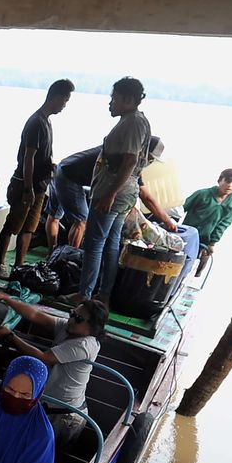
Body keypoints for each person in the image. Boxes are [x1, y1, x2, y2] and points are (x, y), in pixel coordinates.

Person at [0, 289, 106, 448]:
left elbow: (44, 358)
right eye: (72, 314)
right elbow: (35, 316)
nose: (71, 319)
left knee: (41, 456)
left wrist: (11, 337)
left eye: (78, 318)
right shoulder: (70, 328)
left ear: (93, 327)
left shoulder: (84, 345)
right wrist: (6, 298)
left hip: (65, 417)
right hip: (49, 408)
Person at [75, 77, 155, 303]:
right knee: (110, 243)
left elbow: (130, 161)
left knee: (94, 244)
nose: (110, 103)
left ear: (128, 100)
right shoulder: (137, 120)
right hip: (125, 193)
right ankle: (104, 294)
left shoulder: (132, 123)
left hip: (114, 192)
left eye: (114, 98)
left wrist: (110, 193)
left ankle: (84, 295)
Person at [0, 79, 74, 278]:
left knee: (29, 228)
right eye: (64, 101)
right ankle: (0, 264)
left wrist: (50, 166)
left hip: (39, 186)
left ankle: (19, 267)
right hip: (25, 184)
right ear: (55, 97)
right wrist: (28, 188)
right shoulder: (36, 122)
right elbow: (28, 158)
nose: (64, 105)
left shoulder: (47, 122)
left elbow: (41, 156)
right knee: (13, 225)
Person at [48, 137, 173, 253]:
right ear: (143, 151)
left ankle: (51, 255)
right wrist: (168, 222)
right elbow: (145, 196)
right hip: (69, 178)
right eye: (150, 158)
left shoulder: (121, 148)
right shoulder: (128, 161)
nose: (149, 162)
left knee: (54, 216)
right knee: (81, 221)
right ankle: (67, 260)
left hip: (62, 167)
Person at [184, 168, 232, 273]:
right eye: (227, 181)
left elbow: (225, 222)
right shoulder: (202, 194)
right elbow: (180, 208)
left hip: (206, 242)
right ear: (220, 180)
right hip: (188, 238)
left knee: (194, 272)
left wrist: (212, 243)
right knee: (179, 266)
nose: (230, 185)